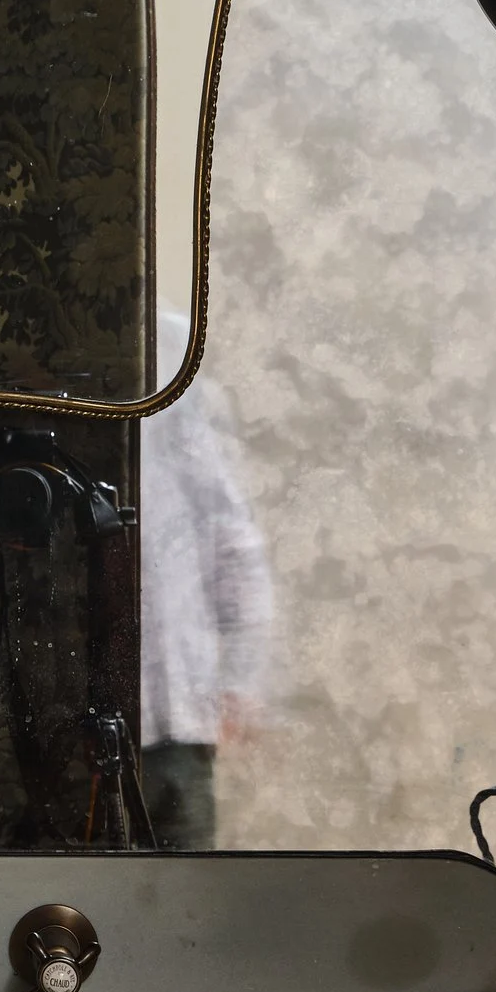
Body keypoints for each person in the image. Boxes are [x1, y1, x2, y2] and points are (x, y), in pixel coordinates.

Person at [138, 352, 273, 849]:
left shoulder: (184, 410)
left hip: (177, 724)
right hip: (90, 727)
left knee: (186, 896)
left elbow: (235, 547)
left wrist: (241, 678)